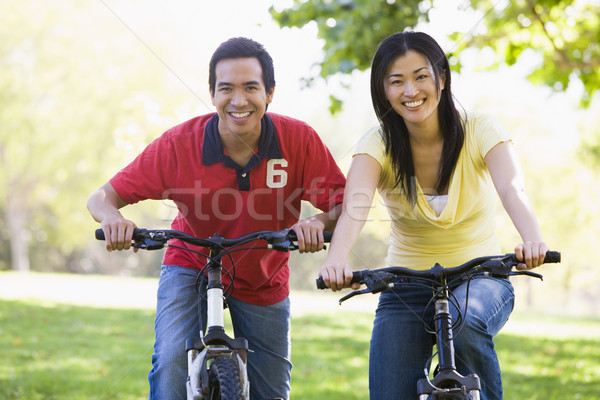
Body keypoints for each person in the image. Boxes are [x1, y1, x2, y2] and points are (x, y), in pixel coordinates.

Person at [87, 37, 345, 400]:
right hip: (191, 261)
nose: (238, 100)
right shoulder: (179, 144)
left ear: (270, 92)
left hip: (264, 273)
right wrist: (113, 219)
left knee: (272, 390)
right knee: (172, 364)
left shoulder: (298, 140)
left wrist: (318, 224)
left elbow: (344, 205)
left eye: (250, 88)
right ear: (211, 93)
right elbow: (100, 198)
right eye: (226, 88)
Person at [319, 31, 549, 400]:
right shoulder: (376, 145)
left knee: (467, 322)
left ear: (441, 77)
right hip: (405, 284)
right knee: (389, 392)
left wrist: (532, 237)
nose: (410, 90)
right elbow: (355, 207)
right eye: (397, 81)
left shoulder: (480, 129)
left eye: (420, 76)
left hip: (481, 275)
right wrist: (336, 260)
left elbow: (512, 189)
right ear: (383, 91)